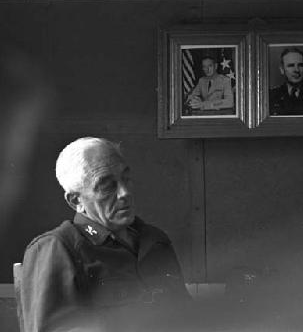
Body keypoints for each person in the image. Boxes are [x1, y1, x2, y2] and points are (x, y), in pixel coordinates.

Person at [21, 137, 191, 332]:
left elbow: (187, 314)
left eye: (126, 179)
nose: (125, 193)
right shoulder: (57, 248)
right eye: (107, 186)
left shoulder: (155, 240)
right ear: (76, 201)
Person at [269, 47, 303, 116]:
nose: (297, 70)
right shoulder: (272, 96)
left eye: (300, 65)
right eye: (291, 65)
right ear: (282, 70)